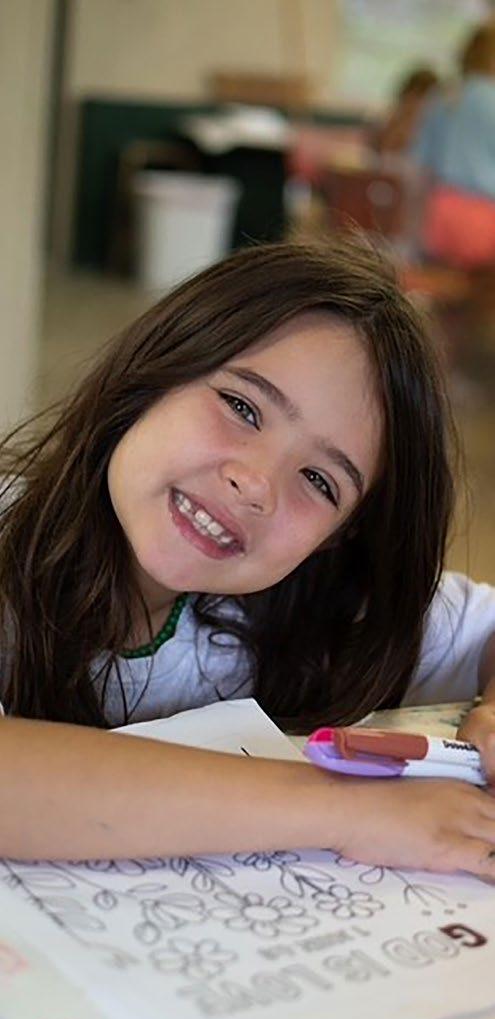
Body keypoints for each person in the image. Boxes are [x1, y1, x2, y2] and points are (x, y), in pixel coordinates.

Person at [0, 237, 494, 876]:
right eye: (242, 407)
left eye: (319, 481)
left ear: (336, 537)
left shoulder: (317, 607)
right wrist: (350, 809)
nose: (256, 483)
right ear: (156, 371)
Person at [412, 21, 495, 267]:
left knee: (438, 282)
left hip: (438, 210)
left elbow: (420, 167)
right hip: (484, 214)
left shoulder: (443, 97)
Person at [373, 67, 439, 156]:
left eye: (420, 97)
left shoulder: (428, 132)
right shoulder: (394, 120)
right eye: (413, 94)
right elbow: (383, 147)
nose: (413, 102)